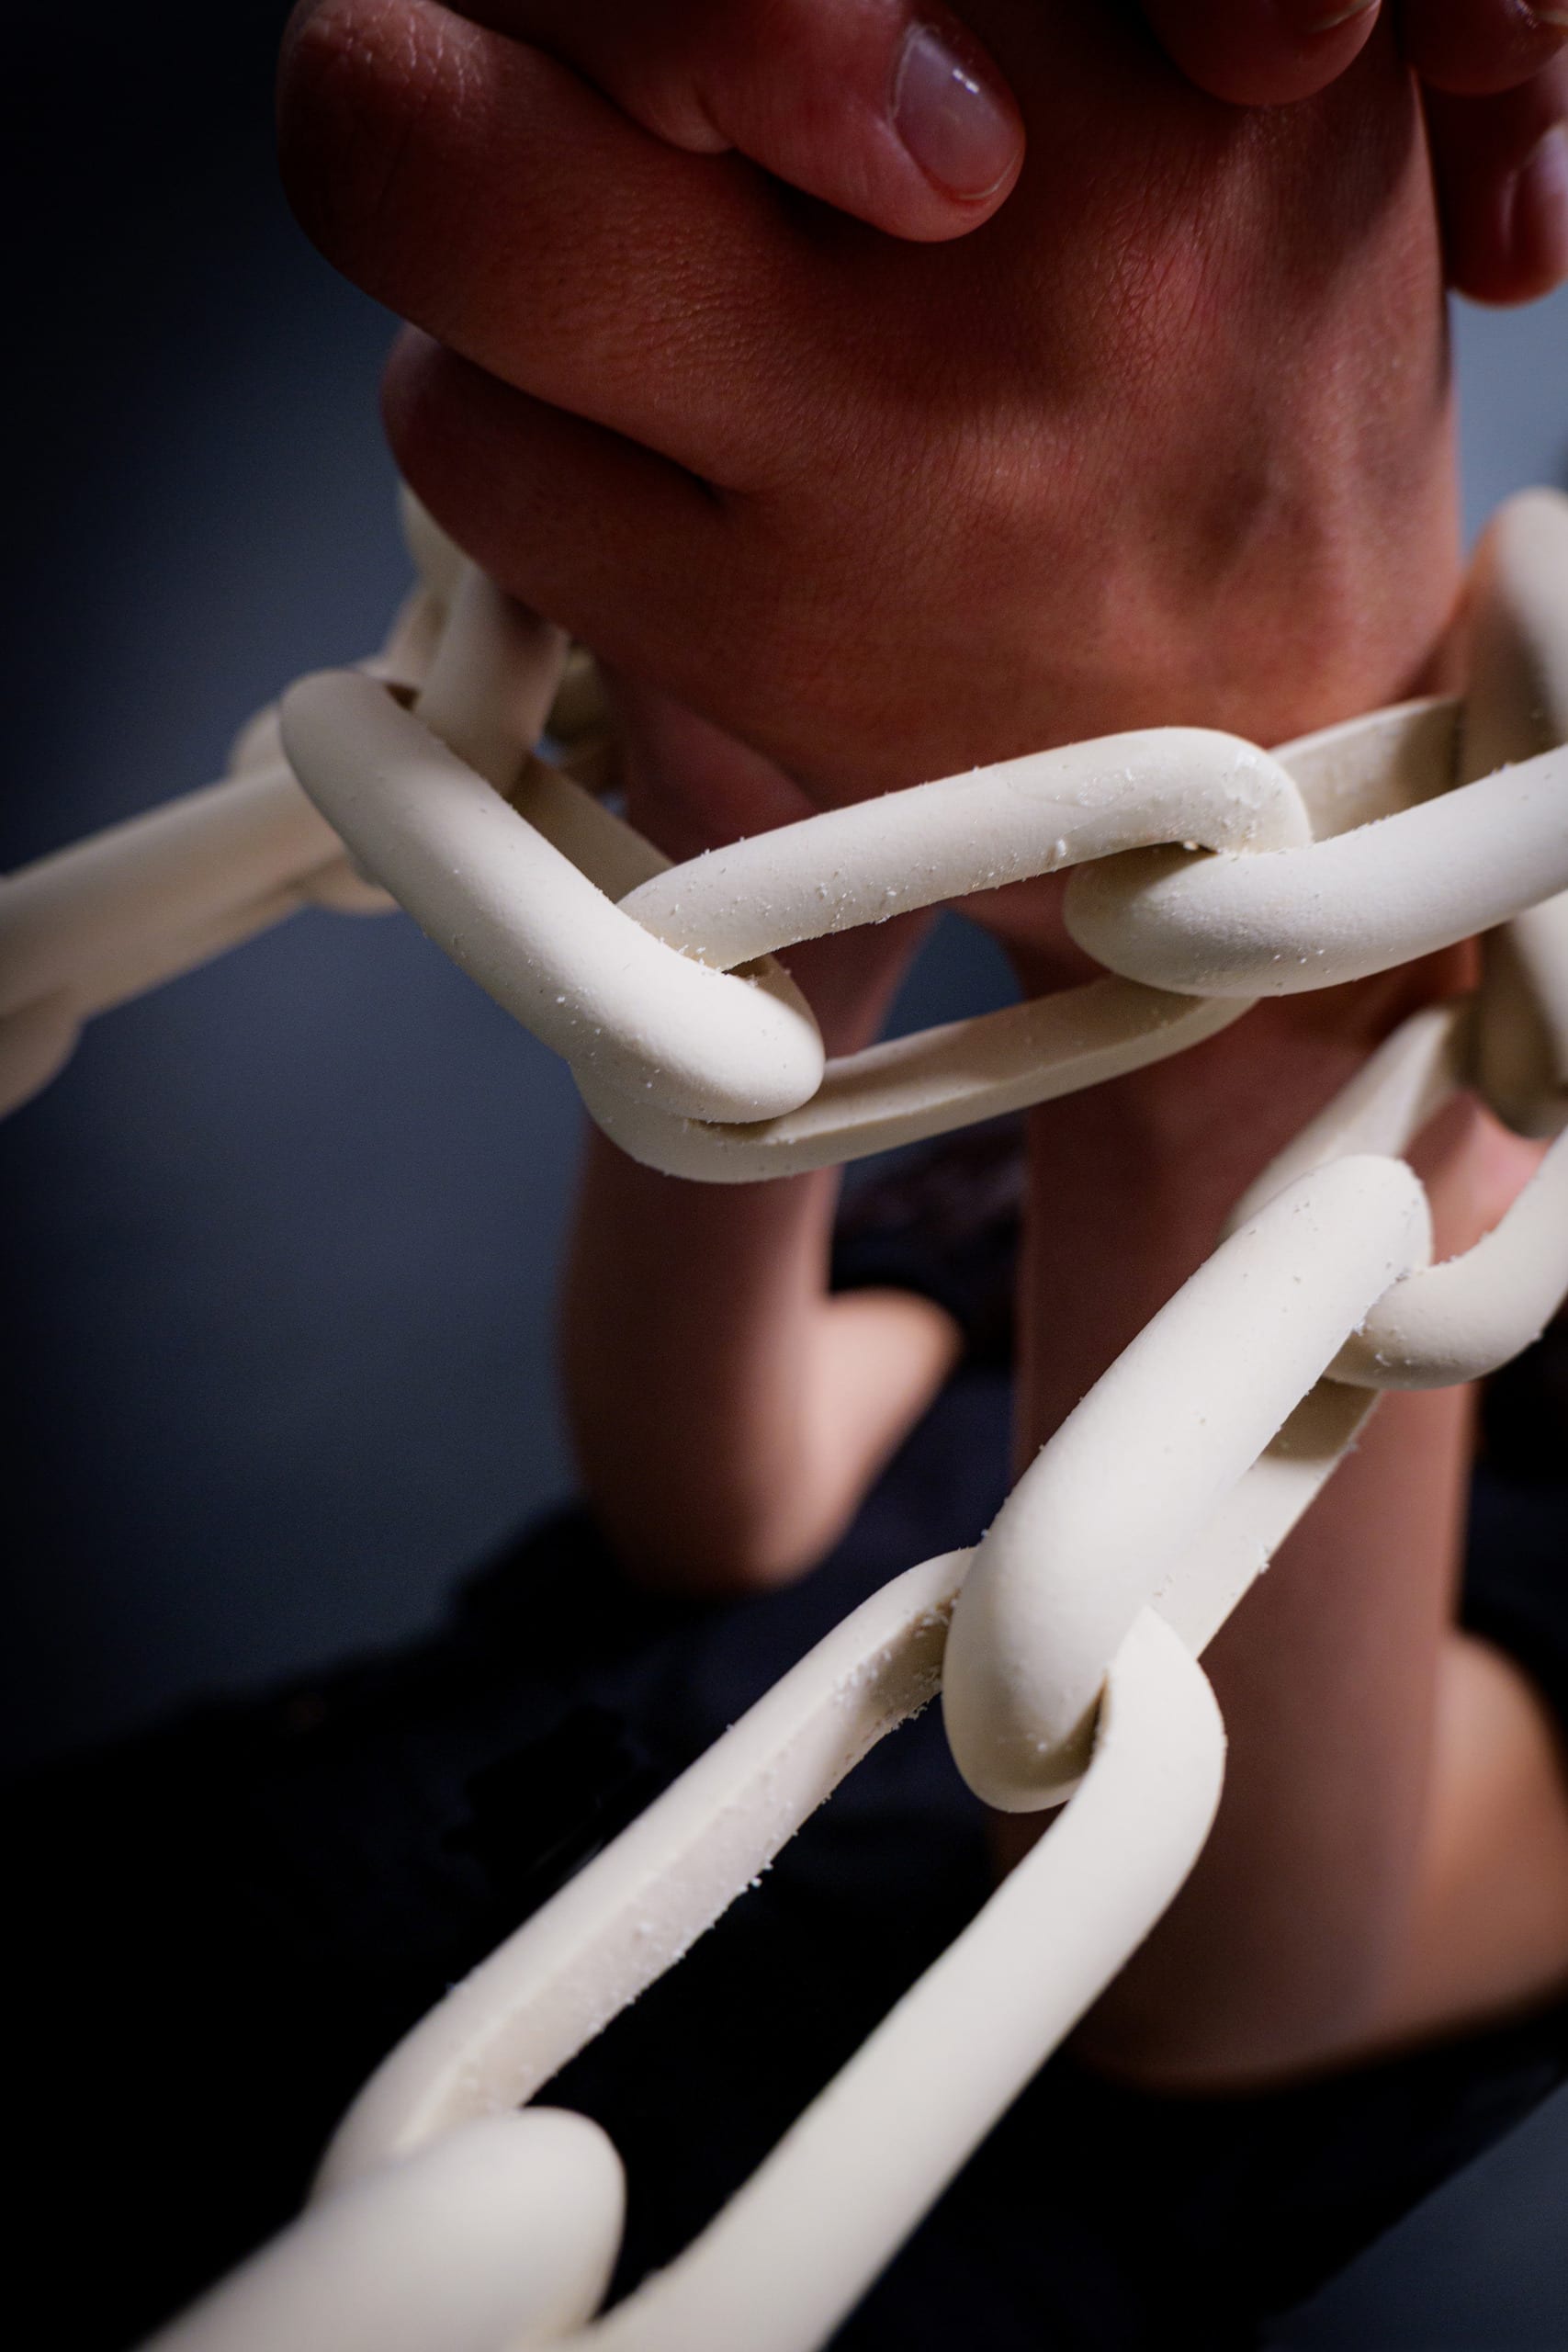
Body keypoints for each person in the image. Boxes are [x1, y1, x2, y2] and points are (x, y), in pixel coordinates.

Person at [6, 5, 1567, 2346]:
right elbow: (710, 1497)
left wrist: (1284, 928)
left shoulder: (1520, 1422)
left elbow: (1250, 1962)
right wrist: (775, 911)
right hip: (222, 1893)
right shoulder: (992, 1205)